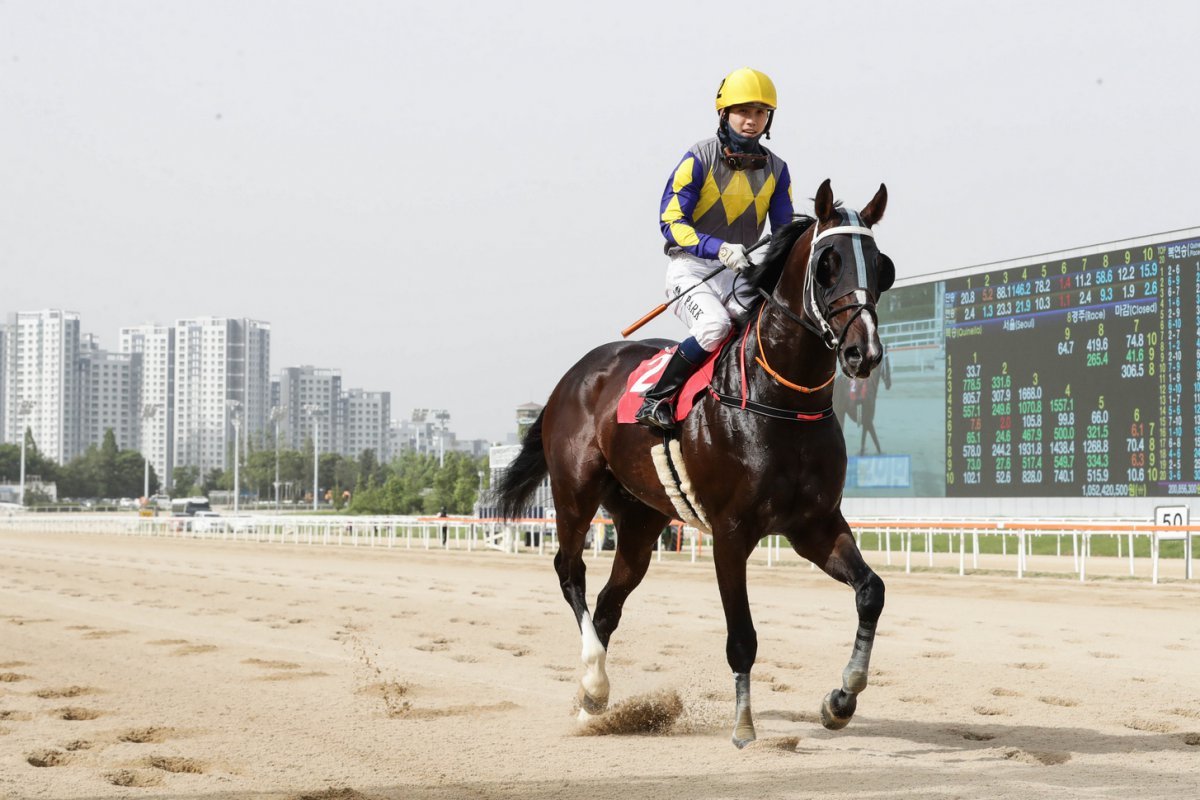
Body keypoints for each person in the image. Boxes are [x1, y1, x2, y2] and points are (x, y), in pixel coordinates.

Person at [636, 67, 795, 431]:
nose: (752, 121)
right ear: (724, 113)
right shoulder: (697, 159)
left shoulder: (778, 170)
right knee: (714, 325)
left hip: (738, 272)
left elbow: (784, 233)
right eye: (744, 112)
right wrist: (719, 248)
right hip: (689, 270)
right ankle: (656, 399)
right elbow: (671, 222)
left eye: (760, 113)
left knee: (767, 326)